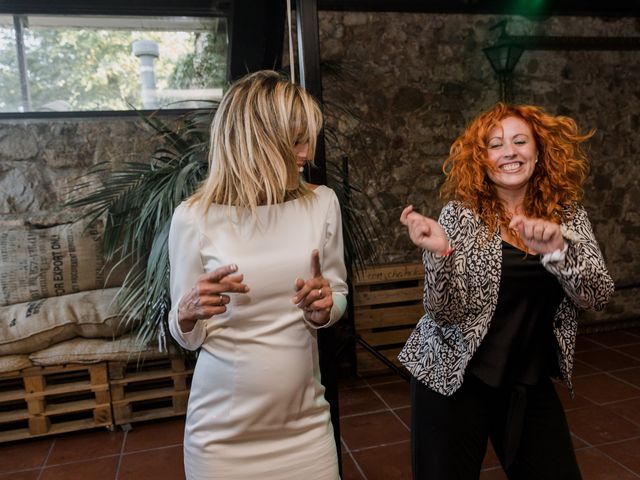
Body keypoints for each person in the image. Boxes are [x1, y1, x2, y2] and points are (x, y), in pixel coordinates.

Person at [398, 103, 614, 480]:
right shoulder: (460, 215)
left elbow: (596, 295)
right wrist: (440, 256)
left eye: (519, 141)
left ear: (539, 151)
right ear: (481, 159)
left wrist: (557, 253)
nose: (509, 152)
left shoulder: (567, 216)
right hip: (454, 378)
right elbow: (445, 313)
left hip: (524, 380)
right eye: (495, 145)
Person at [168, 70, 348, 480]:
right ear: (257, 141)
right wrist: (188, 311)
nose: (307, 153)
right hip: (221, 437)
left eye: (308, 138)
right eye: (296, 140)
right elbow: (184, 333)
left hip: (305, 426)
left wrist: (324, 308)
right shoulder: (194, 219)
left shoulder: (321, 204)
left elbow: (336, 292)